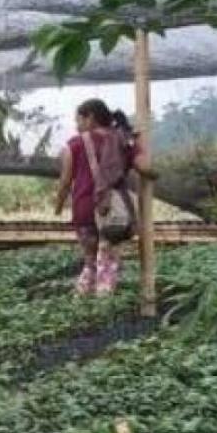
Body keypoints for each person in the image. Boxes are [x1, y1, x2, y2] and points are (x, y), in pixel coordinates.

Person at [54, 98, 136, 296]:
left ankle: (84, 301)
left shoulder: (75, 144)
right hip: (113, 210)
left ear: (90, 117)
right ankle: (103, 301)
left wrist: (58, 205)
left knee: (90, 260)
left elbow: (65, 181)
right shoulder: (122, 140)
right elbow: (136, 167)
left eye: (78, 120)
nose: (77, 126)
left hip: (84, 208)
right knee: (108, 262)